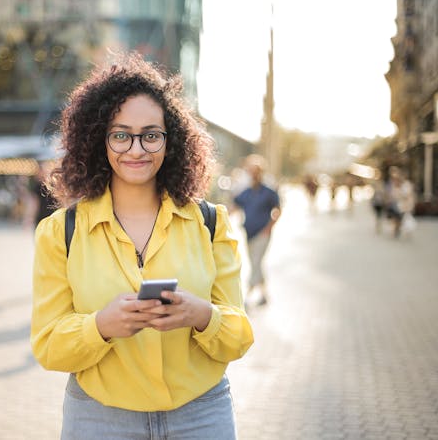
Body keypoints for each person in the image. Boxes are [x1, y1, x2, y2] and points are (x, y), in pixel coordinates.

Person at [30, 52, 254, 440]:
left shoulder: (210, 222)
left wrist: (202, 315)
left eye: (151, 134)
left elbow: (238, 335)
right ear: (98, 140)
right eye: (121, 135)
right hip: (98, 418)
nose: (136, 149)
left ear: (171, 142)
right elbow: (48, 346)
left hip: (201, 414)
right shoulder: (59, 232)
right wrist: (100, 326)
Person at [233, 155, 280, 306]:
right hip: (249, 234)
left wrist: (269, 228)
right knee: (256, 264)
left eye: (256, 171)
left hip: (263, 234)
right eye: (250, 171)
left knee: (256, 262)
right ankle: (264, 295)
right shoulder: (246, 192)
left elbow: (278, 210)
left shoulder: (269, 191)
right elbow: (233, 207)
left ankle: (247, 295)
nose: (253, 174)